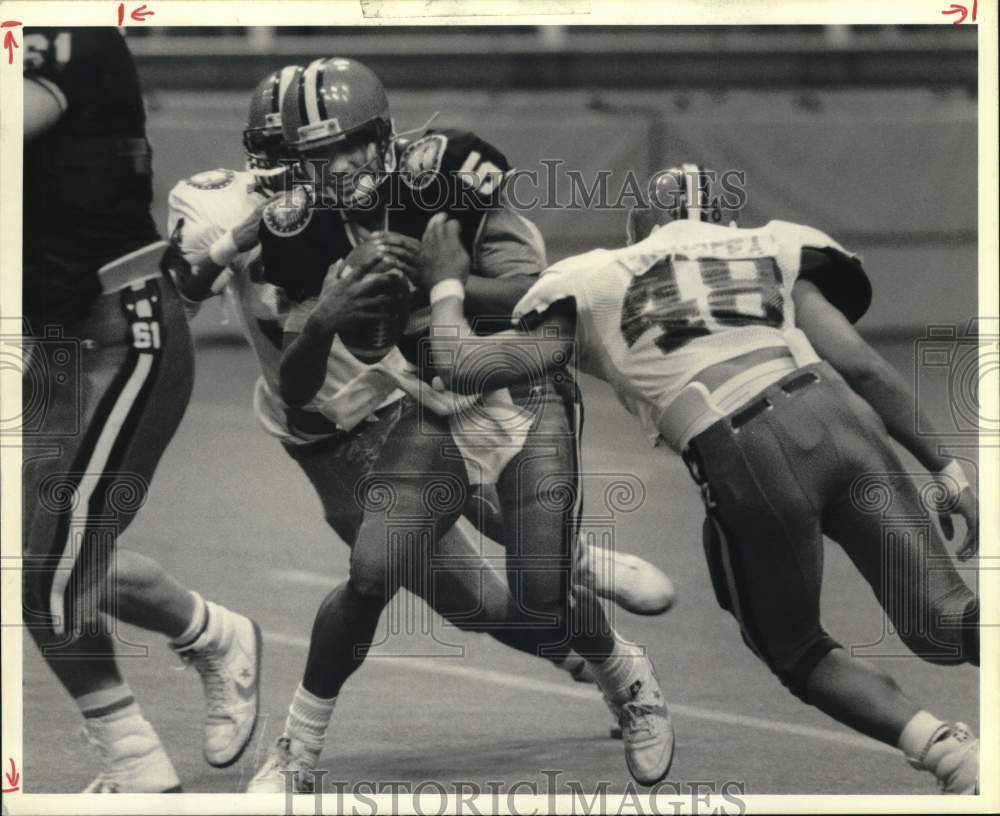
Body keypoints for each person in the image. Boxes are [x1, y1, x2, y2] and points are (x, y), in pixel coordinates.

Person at [162, 63, 673, 791]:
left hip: (415, 394)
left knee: (508, 540)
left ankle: (578, 580)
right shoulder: (250, 215)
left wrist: (435, 286)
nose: (317, 175)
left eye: (338, 154)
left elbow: (531, 298)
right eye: (297, 160)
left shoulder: (431, 177)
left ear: (378, 141)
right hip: (330, 428)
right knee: (467, 603)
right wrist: (231, 245)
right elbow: (185, 291)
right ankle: (593, 644)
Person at [418, 163, 981, 793]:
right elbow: (863, 366)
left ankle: (957, 762)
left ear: (642, 228)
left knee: (795, 650)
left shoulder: (595, 276)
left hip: (744, 445)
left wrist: (445, 286)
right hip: (842, 417)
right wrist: (946, 468)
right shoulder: (773, 244)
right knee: (943, 620)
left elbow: (465, 366)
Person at [21, 27, 260, 793]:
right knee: (50, 552)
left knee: (47, 573)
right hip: (55, 333)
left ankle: (138, 768)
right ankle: (211, 633)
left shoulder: (67, 32)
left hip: (120, 332)